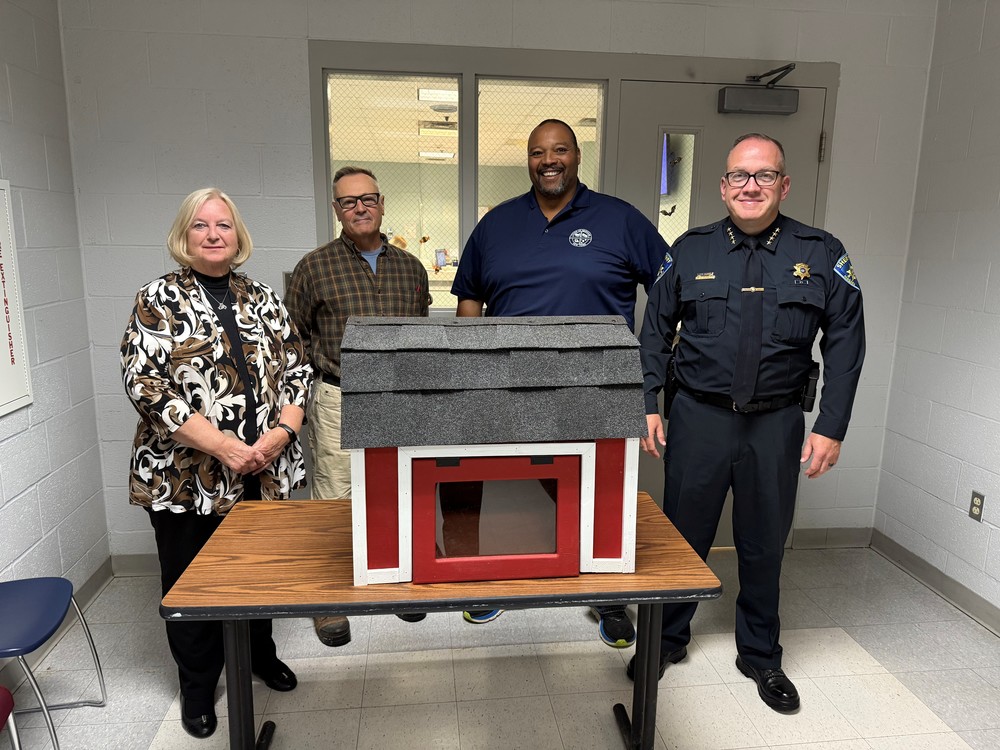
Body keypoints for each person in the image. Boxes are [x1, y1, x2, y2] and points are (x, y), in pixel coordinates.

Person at [637, 133, 865, 712]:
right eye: (740, 175)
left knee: (764, 542)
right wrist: (647, 403)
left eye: (764, 176)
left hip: (776, 424)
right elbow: (655, 333)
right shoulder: (690, 250)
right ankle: (666, 639)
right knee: (684, 537)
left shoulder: (821, 253)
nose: (751, 186)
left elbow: (846, 343)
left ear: (784, 185)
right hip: (699, 419)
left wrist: (830, 426)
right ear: (723, 185)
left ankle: (760, 654)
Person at [451, 118, 670, 647]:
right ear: (527, 160)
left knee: (598, 493)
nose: (549, 160)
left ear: (577, 156)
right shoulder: (497, 225)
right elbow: (469, 302)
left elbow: (670, 286)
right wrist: (468, 370)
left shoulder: (620, 220)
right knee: (501, 483)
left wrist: (647, 364)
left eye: (560, 150)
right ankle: (487, 582)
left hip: (598, 388)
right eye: (537, 152)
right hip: (508, 387)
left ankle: (608, 596)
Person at [122, 188, 310, 739]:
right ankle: (198, 687)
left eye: (223, 225)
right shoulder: (156, 298)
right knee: (193, 583)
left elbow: (297, 366)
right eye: (201, 225)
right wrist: (225, 447)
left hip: (265, 469)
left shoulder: (263, 297)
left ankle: (258, 654)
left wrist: (281, 433)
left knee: (260, 575)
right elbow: (147, 386)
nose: (213, 234)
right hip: (187, 478)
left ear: (238, 234)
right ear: (184, 235)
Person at [285, 166, 432, 646]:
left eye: (368, 198)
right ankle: (330, 603)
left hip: (400, 397)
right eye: (349, 202)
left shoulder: (411, 268)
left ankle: (402, 584)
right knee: (334, 497)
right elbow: (295, 338)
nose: (360, 207)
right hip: (339, 397)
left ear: (383, 202)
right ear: (336, 210)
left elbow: (422, 329)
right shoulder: (315, 266)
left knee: (401, 489)